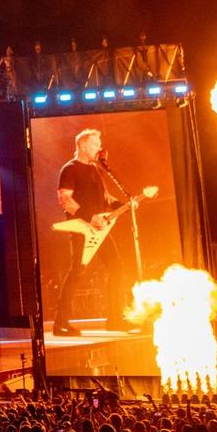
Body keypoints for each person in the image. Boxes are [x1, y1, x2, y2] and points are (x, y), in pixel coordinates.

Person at [53, 129, 138, 336]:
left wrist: (125, 205)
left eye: (99, 144)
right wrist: (89, 217)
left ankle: (115, 319)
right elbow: (65, 200)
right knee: (77, 271)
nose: (99, 148)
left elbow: (107, 198)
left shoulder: (96, 170)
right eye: (95, 144)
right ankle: (60, 324)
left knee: (117, 268)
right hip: (83, 229)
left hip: (100, 230)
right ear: (82, 145)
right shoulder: (70, 169)